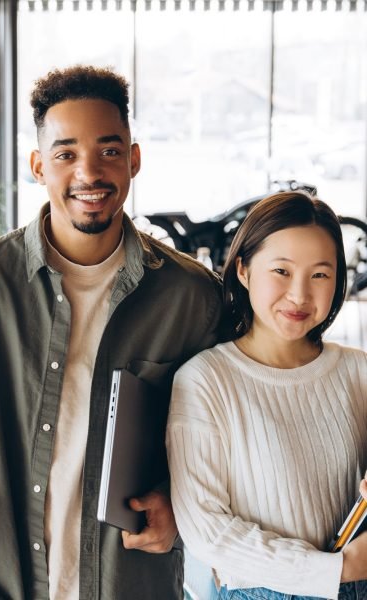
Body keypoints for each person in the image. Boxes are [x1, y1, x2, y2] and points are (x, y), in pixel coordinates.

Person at [0, 65, 222, 600]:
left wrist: (180, 507)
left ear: (134, 159)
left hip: (134, 585)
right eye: (65, 154)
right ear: (39, 165)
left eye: (109, 151)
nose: (89, 173)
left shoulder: (191, 298)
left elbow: (220, 445)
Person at [167, 190, 367, 600]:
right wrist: (335, 569)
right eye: (281, 271)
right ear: (243, 270)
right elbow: (207, 531)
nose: (299, 295)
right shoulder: (205, 380)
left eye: (320, 275)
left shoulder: (358, 371)